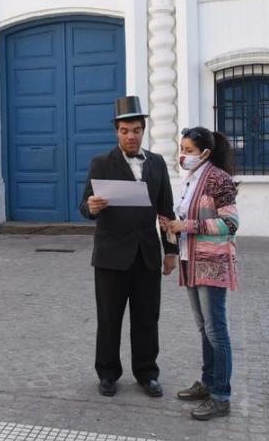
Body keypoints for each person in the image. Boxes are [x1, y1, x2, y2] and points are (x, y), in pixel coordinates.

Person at [79, 96, 178, 398]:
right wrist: (91, 207)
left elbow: (166, 210)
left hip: (147, 253)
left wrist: (171, 251)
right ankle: (107, 373)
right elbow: (84, 206)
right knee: (109, 318)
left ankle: (147, 373)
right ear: (116, 132)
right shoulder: (101, 163)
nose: (131, 136)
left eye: (136, 130)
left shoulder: (158, 163)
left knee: (147, 317)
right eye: (124, 131)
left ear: (143, 130)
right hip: (111, 255)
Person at [160, 126, 240, 421]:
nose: (183, 156)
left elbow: (230, 224)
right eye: (181, 149)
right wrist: (171, 222)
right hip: (190, 260)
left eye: (189, 151)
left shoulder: (218, 179)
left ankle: (221, 395)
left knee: (216, 330)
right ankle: (207, 383)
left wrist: (188, 226)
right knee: (204, 328)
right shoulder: (192, 178)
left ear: (205, 153)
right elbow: (188, 215)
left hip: (212, 263)